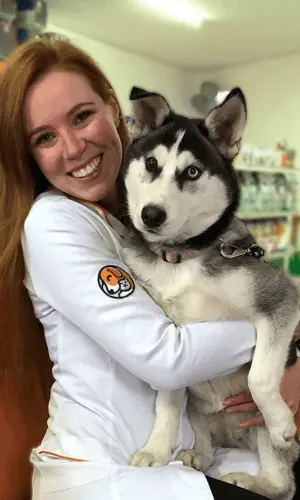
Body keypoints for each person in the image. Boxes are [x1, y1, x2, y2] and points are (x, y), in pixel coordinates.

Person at [0, 36, 299, 500]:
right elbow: (166, 357)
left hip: (189, 455)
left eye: (82, 116)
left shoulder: (133, 225)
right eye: (45, 137)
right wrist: (277, 336)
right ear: (30, 153)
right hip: (105, 474)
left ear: (116, 112)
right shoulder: (54, 224)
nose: (74, 146)